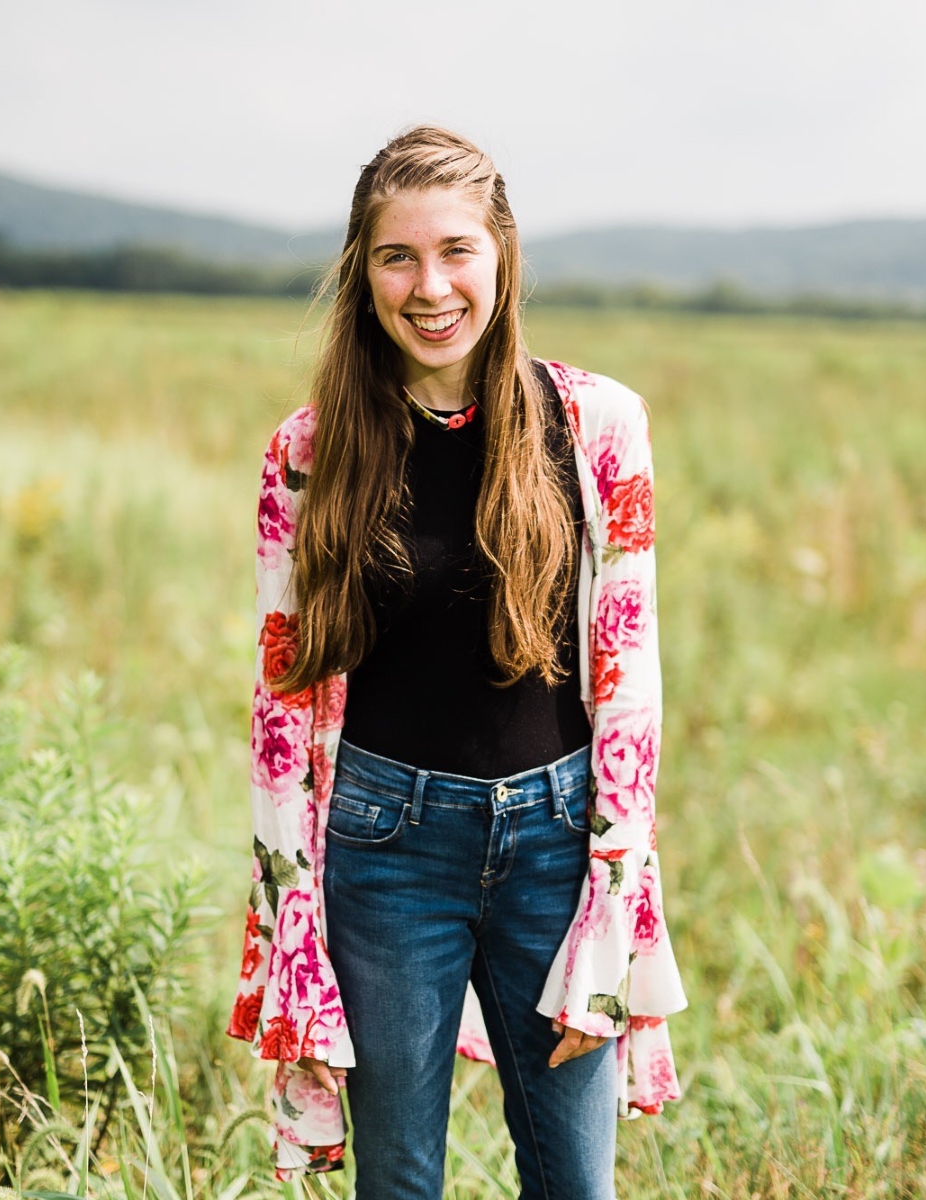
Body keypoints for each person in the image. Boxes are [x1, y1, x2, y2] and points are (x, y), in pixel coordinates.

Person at [228, 125, 686, 1199]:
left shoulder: (599, 427)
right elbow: (282, 702)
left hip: (558, 846)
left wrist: (613, 905)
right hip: (385, 852)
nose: (429, 286)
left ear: (503, 258)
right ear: (364, 272)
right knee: (398, 1180)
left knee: (575, 1180)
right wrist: (292, 907)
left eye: (456, 251)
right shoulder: (306, 453)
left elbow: (630, 678)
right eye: (397, 256)